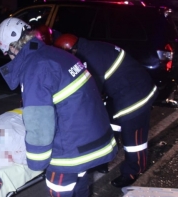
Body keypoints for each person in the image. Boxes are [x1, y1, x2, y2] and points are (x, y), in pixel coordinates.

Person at [0, 18, 118, 197]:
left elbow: (39, 122)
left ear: (13, 48)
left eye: (7, 53)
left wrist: (37, 160)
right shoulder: (54, 54)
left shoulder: (35, 68)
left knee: (57, 180)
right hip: (94, 132)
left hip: (75, 138)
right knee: (79, 173)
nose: (9, 57)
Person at [54, 34, 158, 188]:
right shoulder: (87, 47)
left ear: (72, 50)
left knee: (134, 139)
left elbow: (90, 93)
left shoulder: (91, 59)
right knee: (107, 126)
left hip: (136, 93)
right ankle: (102, 161)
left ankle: (132, 172)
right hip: (120, 89)